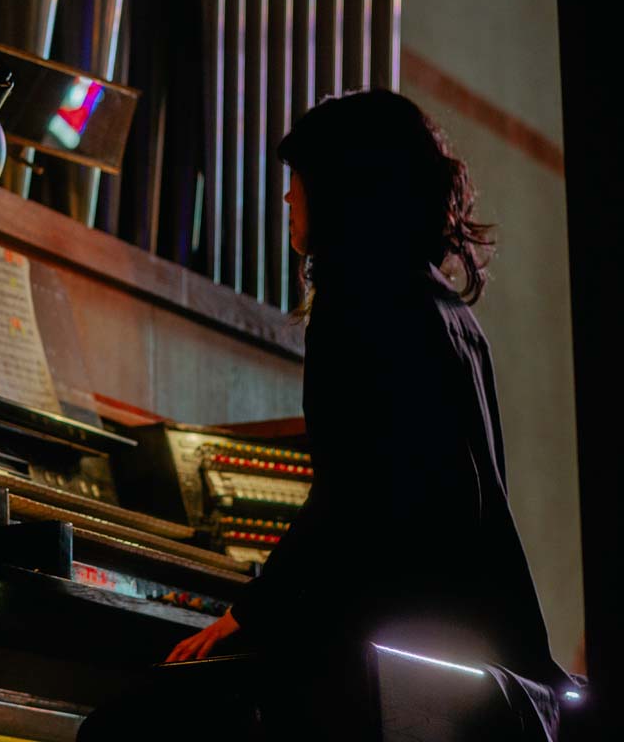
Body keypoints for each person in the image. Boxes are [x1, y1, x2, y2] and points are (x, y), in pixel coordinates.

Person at [82, 90, 560, 740]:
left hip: (383, 662)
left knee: (118, 728)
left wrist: (248, 615)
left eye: (298, 179)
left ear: (340, 188)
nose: (287, 197)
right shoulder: (451, 313)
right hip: (463, 658)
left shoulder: (359, 298)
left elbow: (351, 501)